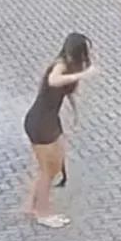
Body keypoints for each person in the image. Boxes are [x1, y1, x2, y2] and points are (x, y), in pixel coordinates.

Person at [22, 32, 97, 228]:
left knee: (53, 167)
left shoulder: (68, 66)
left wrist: (73, 115)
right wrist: (83, 75)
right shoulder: (61, 65)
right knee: (48, 170)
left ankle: (31, 204)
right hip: (40, 123)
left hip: (49, 121)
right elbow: (54, 81)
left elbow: (63, 92)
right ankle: (43, 212)